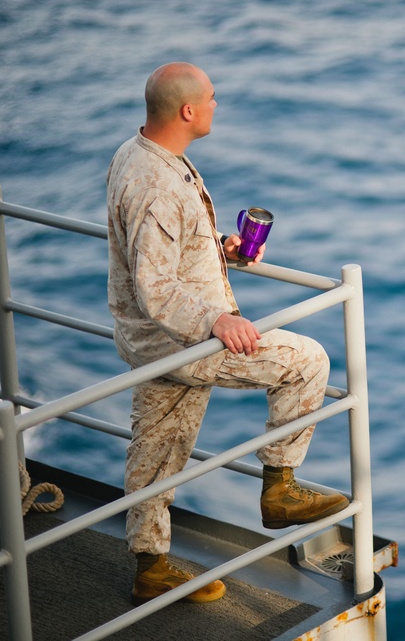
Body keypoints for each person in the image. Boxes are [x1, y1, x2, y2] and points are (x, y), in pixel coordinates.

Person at [106, 62, 348, 605]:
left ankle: (150, 566)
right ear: (188, 110)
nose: (217, 105)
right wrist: (216, 320)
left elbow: (162, 249)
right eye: (212, 99)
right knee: (308, 361)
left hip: (149, 342)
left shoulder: (136, 153)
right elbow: (157, 286)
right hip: (180, 342)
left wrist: (217, 245)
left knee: (156, 450)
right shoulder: (158, 187)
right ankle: (279, 490)